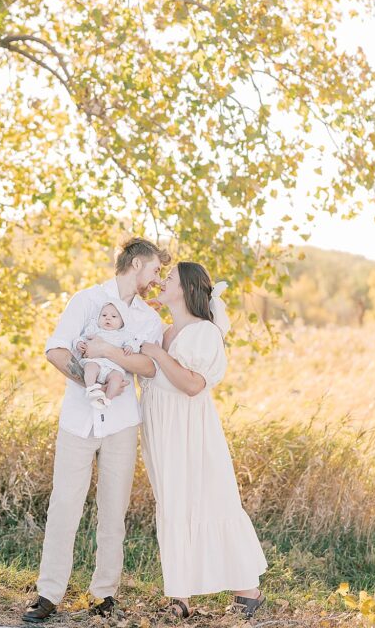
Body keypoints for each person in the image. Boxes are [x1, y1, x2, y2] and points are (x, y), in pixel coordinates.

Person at [24, 237, 169, 624]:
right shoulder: (85, 300)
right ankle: (48, 593)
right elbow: (56, 350)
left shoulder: (149, 319)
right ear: (137, 263)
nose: (157, 278)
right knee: (64, 505)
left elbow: (150, 367)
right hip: (77, 418)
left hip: (122, 422)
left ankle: (104, 594)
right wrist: (89, 384)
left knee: (113, 510)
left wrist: (110, 356)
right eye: (155, 268)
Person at [139, 262, 266, 618]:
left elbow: (193, 385)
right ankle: (179, 596)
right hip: (162, 431)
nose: (162, 283)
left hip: (190, 432)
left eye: (169, 279)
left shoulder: (202, 332)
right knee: (174, 506)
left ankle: (248, 589)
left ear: (186, 289)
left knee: (209, 502)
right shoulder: (163, 331)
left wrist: (157, 354)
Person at [77, 302, 142, 410]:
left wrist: (130, 346)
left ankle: (107, 399)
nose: (108, 318)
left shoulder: (124, 335)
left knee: (117, 378)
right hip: (97, 362)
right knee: (90, 367)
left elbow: (135, 344)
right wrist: (79, 343)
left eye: (114, 316)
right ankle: (91, 388)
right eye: (104, 315)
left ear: (122, 322)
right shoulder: (95, 331)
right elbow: (82, 338)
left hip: (113, 368)